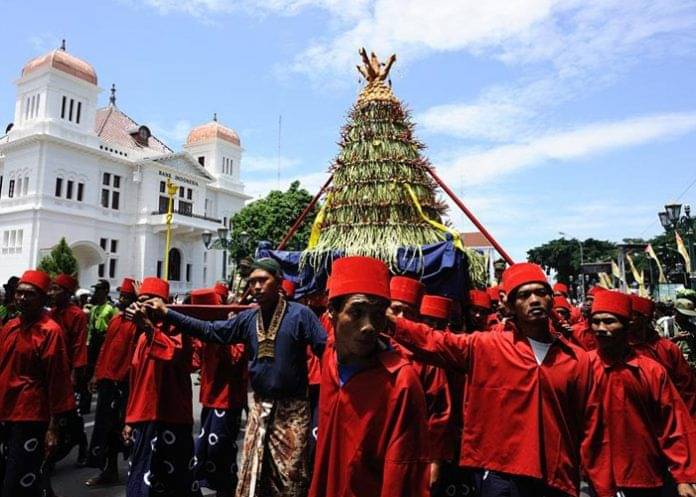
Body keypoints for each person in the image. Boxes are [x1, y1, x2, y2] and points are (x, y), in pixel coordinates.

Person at [386, 262, 598, 497]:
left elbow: (591, 425)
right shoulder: (487, 346)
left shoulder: (576, 359)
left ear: (551, 298)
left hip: (556, 476)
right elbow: (434, 341)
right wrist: (389, 321)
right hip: (500, 474)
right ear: (509, 304)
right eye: (525, 295)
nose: (534, 300)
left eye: (541, 292)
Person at [140, 257, 326, 497]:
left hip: (293, 410)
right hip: (259, 407)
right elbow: (210, 330)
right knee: (254, 474)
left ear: (279, 281)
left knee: (290, 475)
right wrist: (168, 313)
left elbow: (327, 351)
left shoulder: (302, 315)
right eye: (252, 282)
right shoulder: (248, 318)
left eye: (262, 280)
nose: (256, 287)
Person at [309, 256, 429, 497]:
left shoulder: (400, 381)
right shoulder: (330, 356)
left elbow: (402, 475)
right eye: (357, 311)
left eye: (377, 314)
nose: (369, 326)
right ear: (331, 312)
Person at [585, 290, 696, 497]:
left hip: (647, 472)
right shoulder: (582, 368)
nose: (600, 328)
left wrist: (683, 476)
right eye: (596, 321)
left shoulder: (652, 371)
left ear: (628, 326)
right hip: (599, 476)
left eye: (609, 322)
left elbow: (673, 424)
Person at [0, 270, 75, 497]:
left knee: (17, 481)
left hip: (31, 415)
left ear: (43, 298)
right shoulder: (10, 326)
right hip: (6, 411)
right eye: (19, 293)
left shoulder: (50, 332)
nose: (22, 298)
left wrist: (53, 427)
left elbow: (58, 380)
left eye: (29, 294)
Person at [123, 277, 200, 497]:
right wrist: (129, 419)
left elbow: (176, 356)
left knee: (177, 483)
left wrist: (148, 327)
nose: (143, 307)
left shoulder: (178, 329)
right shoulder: (141, 337)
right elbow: (136, 381)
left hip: (172, 418)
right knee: (141, 481)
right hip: (144, 418)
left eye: (150, 302)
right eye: (141, 301)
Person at [389, 281, 453, 493]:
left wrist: (435, 462)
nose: (401, 318)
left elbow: (439, 413)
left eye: (408, 312)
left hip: (411, 448)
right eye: (395, 310)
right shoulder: (367, 346)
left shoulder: (427, 358)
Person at [189, 288, 246, 497]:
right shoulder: (204, 331)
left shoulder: (235, 328)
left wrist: (225, 333)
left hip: (227, 400)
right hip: (209, 398)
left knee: (220, 448)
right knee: (205, 449)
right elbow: (194, 361)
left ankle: (227, 489)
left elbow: (236, 359)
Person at [84, 277, 139, 486]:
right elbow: (104, 350)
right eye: (122, 296)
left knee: (126, 430)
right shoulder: (116, 320)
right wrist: (96, 374)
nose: (123, 300)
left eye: (127, 297)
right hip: (108, 380)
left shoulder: (138, 323)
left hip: (126, 383)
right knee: (105, 428)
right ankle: (109, 469)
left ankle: (136, 472)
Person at [629, 294, 696, 416]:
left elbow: (686, 389)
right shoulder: (620, 348)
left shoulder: (667, 349)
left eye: (632, 314)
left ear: (645, 319)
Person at [46, 273, 89, 467]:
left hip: (69, 371)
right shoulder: (50, 314)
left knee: (70, 414)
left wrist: (75, 374)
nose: (51, 293)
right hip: (51, 371)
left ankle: (80, 443)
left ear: (68, 293)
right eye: (51, 288)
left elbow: (79, 345)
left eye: (56, 289)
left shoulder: (77, 315)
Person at [82, 279, 117, 413]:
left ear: (106, 291)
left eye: (99, 290)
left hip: (104, 343)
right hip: (92, 344)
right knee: (88, 374)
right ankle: (84, 406)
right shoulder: (94, 309)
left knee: (102, 376)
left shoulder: (111, 309)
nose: (96, 293)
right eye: (95, 290)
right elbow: (90, 328)